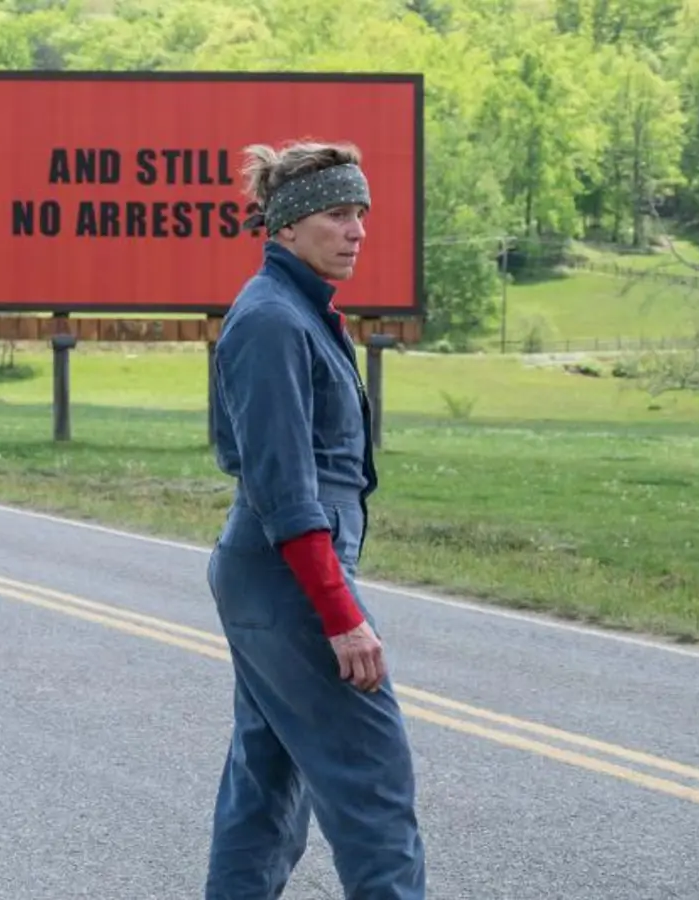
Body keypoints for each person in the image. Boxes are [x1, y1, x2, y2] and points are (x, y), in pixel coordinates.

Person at [204, 139, 426, 899]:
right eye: (338, 213)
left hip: (276, 575)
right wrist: (340, 613)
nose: (357, 230)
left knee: (266, 785)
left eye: (362, 213)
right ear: (288, 227)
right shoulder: (271, 322)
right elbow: (285, 491)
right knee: (373, 786)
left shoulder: (296, 311)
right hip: (287, 577)